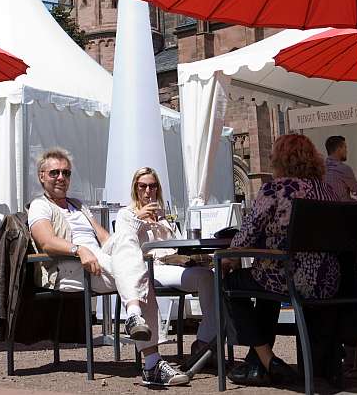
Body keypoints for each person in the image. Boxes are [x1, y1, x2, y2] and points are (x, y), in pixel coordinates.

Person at [28, 147, 189, 388]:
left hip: (99, 262)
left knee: (129, 247)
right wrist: (79, 249)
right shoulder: (40, 206)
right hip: (70, 267)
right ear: (42, 176)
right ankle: (151, 362)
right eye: (55, 173)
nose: (61, 178)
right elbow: (47, 242)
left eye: (66, 173)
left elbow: (106, 240)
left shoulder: (78, 205)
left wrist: (131, 230)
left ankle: (134, 317)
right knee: (139, 275)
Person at [222, 134, 339, 387]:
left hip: (289, 279)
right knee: (263, 282)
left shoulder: (276, 189)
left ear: (280, 160)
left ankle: (267, 360)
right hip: (327, 281)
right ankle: (257, 366)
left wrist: (227, 258)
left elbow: (248, 234)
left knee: (231, 284)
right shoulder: (327, 191)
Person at [115, 168, 216, 358]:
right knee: (206, 277)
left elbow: (176, 244)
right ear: (135, 188)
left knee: (212, 277)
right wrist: (139, 219)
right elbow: (124, 245)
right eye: (142, 186)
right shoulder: (126, 214)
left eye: (152, 186)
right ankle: (205, 346)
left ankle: (206, 341)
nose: (147, 191)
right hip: (149, 268)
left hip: (173, 265)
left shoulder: (162, 215)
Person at [324, 135, 357, 201]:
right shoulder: (344, 169)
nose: (346, 151)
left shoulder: (320, 169)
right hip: (343, 208)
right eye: (345, 148)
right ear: (339, 149)